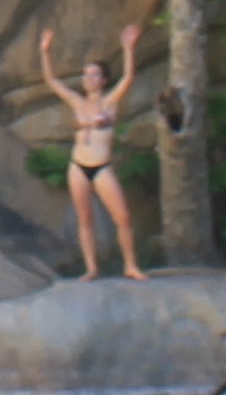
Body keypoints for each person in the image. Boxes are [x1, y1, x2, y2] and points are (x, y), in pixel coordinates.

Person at [41, 22, 148, 279]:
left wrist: (127, 49)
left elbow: (128, 78)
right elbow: (52, 80)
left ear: (103, 79)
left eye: (93, 75)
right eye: (85, 74)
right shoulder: (77, 102)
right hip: (78, 165)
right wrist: (45, 51)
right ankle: (91, 268)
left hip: (101, 166)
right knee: (85, 219)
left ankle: (130, 265)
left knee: (122, 216)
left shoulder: (109, 103)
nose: (87, 79)